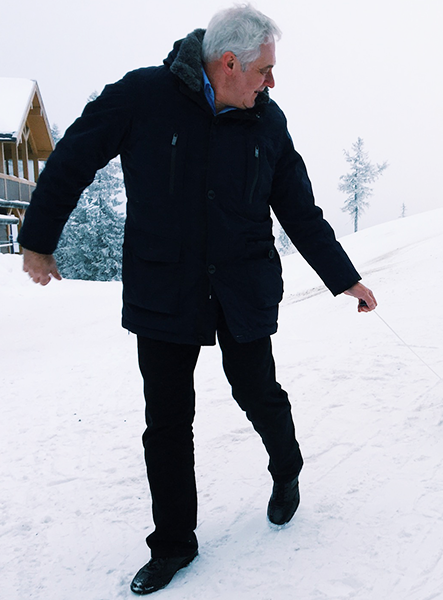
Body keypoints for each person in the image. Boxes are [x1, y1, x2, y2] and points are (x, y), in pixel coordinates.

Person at [19, 5, 377, 595]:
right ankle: (174, 544)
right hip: (167, 288)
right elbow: (73, 158)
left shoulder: (267, 120)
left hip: (241, 285)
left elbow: (299, 208)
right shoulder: (143, 96)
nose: (271, 82)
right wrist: (37, 240)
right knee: (167, 422)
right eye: (264, 70)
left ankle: (287, 469)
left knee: (257, 391)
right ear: (229, 64)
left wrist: (345, 278)